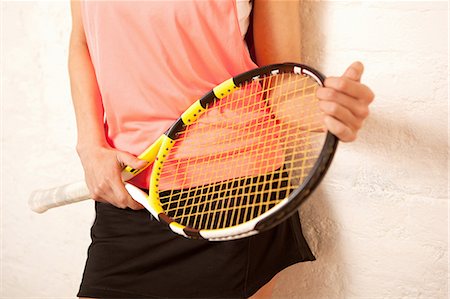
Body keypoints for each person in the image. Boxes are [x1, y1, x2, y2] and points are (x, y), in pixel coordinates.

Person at [69, 1, 374, 298]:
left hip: (229, 197)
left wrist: (328, 110)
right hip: (131, 193)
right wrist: (90, 147)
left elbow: (281, 85)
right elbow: (81, 41)